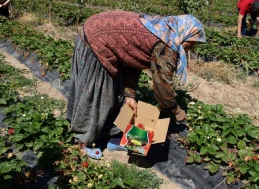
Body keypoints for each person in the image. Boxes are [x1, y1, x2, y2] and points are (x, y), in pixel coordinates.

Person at [67, 11, 206, 159]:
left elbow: (134, 59)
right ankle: (83, 140)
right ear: (185, 33)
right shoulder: (166, 44)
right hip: (97, 39)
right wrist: (176, 110)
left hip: (97, 29)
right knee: (99, 94)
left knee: (116, 94)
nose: (192, 47)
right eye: (193, 41)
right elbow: (162, 87)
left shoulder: (161, 28)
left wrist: (129, 95)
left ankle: (112, 136)